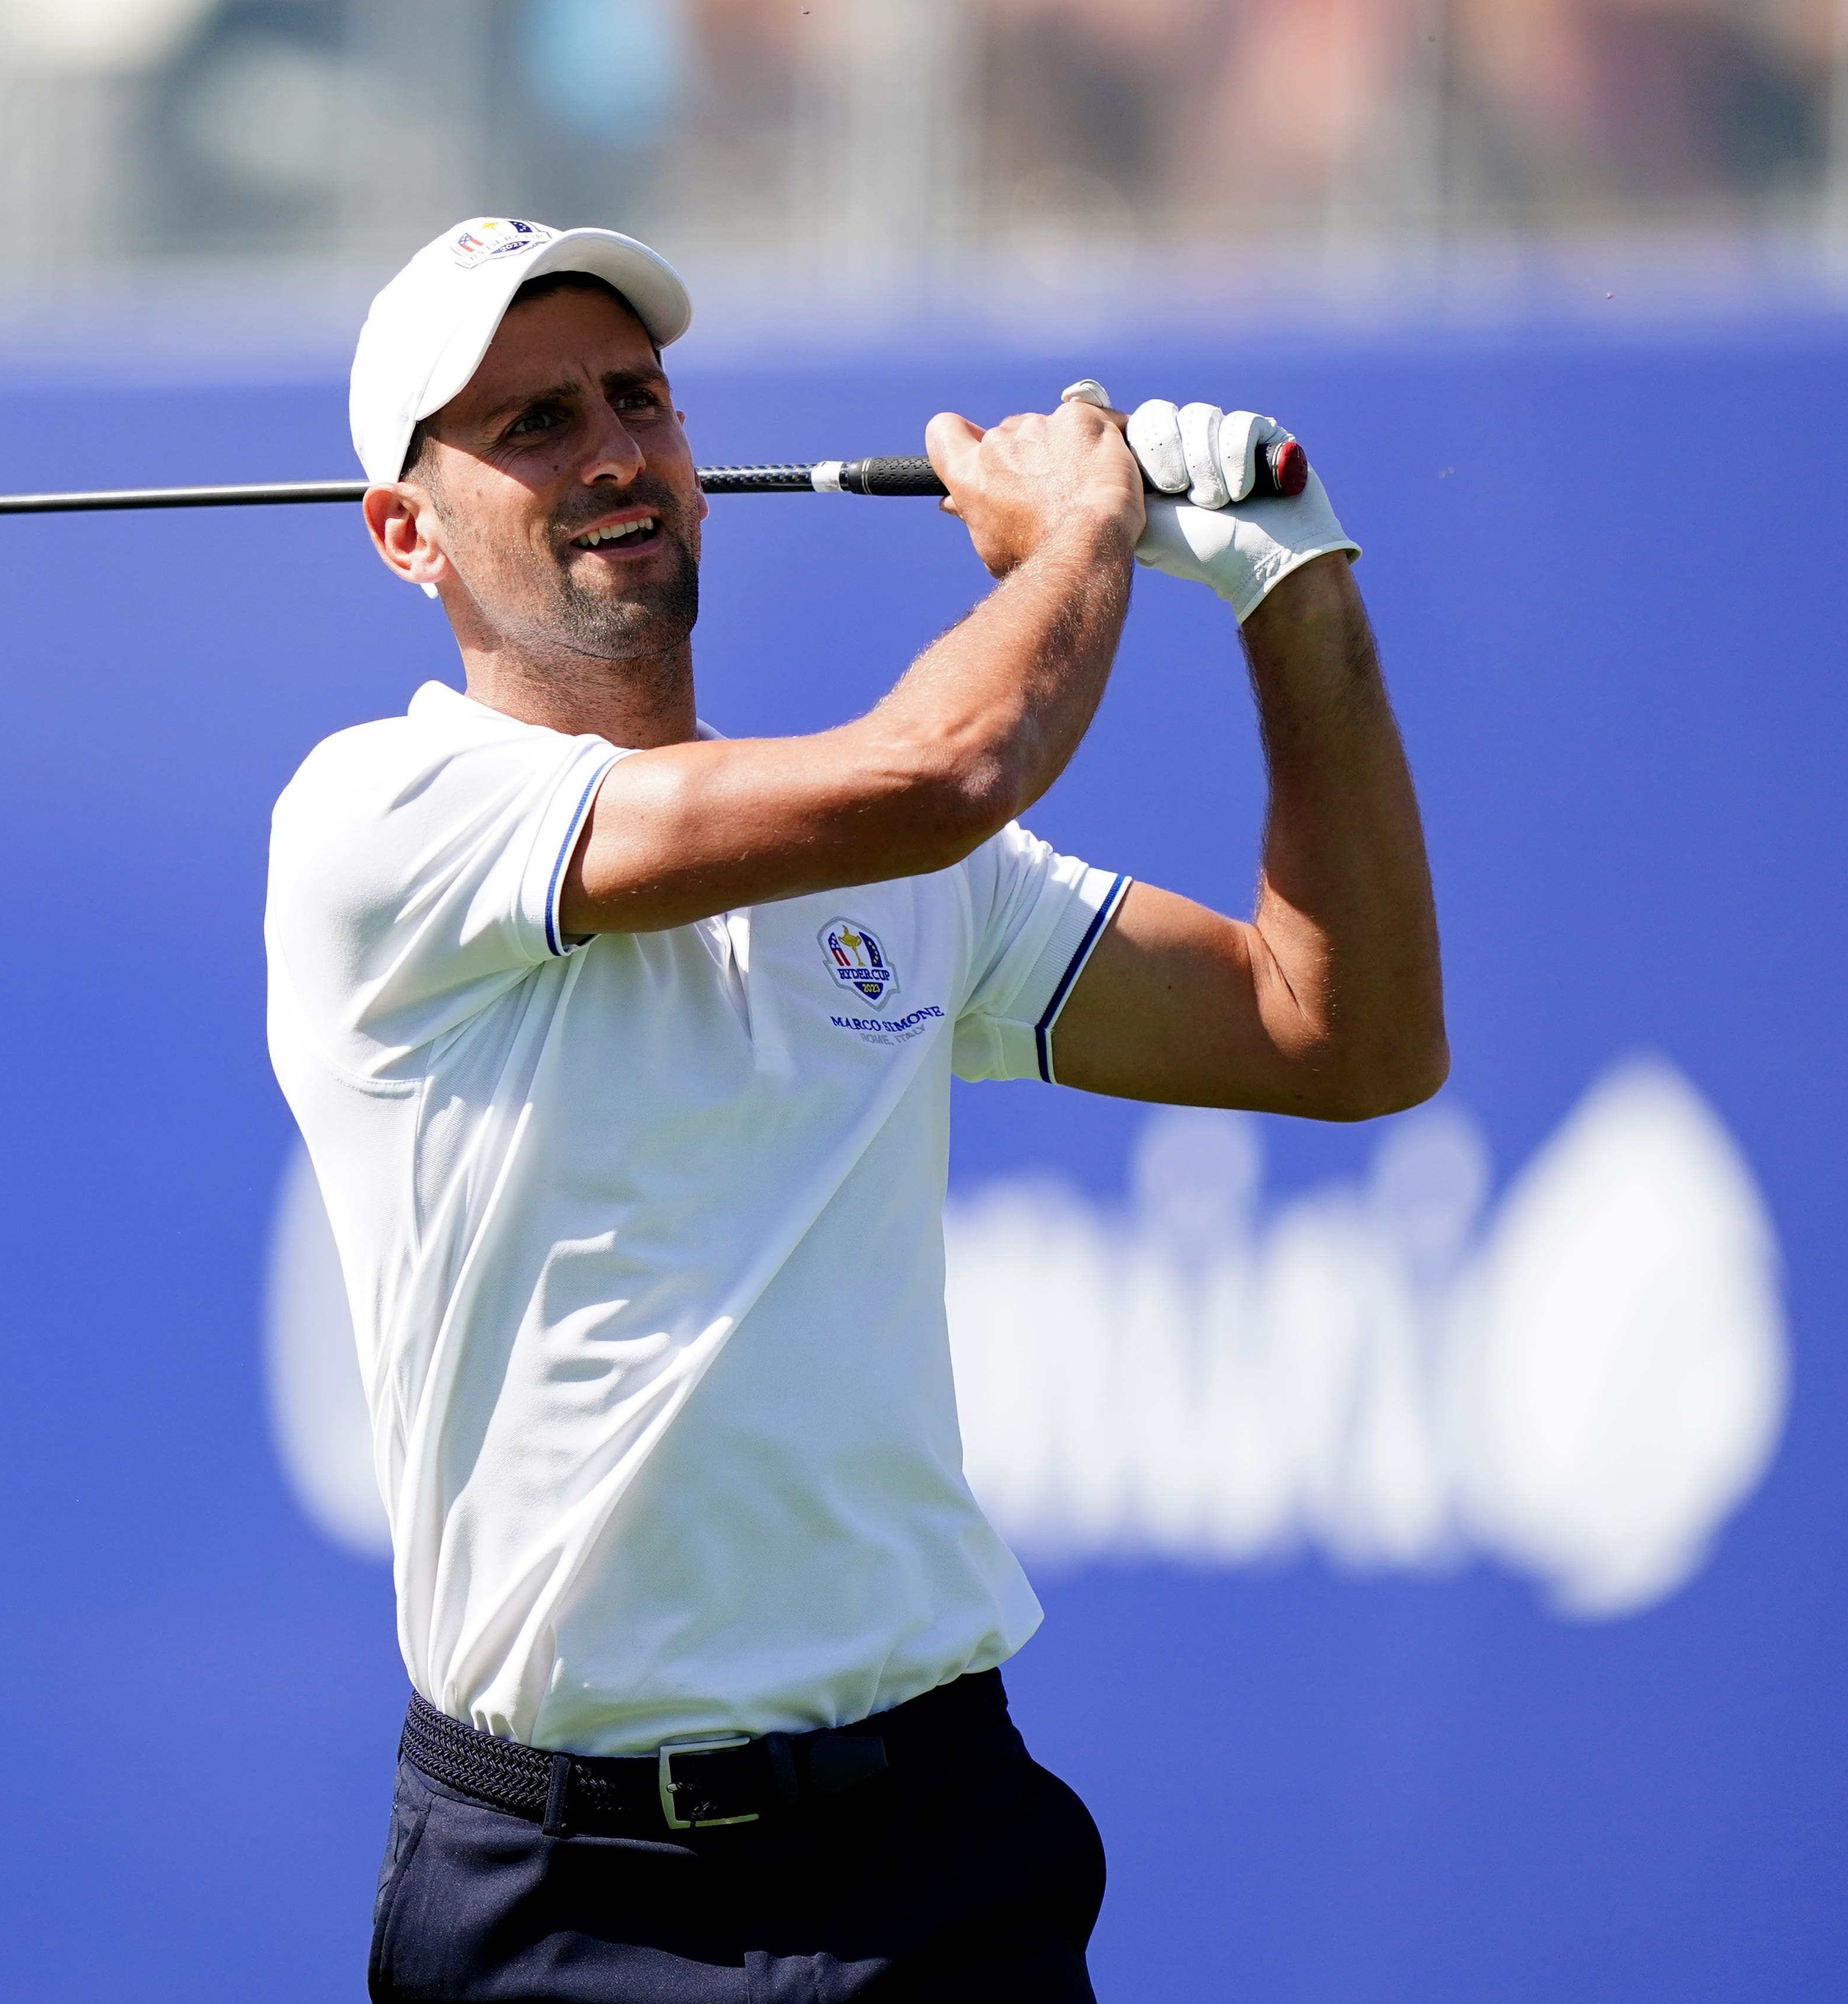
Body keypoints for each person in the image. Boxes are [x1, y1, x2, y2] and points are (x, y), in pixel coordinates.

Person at [263, 216, 1444, 2003]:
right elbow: (942, 767)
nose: (610, 452)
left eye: (636, 399)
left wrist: (1296, 585)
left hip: (929, 1860)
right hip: (561, 1900)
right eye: (529, 425)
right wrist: (1081, 538)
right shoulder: (381, 819)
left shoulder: (912, 877)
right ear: (404, 529)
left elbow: (1340, 1036)